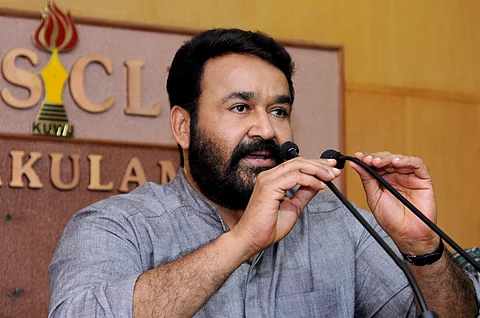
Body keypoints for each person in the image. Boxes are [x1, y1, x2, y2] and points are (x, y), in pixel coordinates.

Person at [49, 28, 479, 317]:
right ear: (184, 126)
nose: (267, 129)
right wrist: (240, 242)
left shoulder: (340, 226)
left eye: (279, 110)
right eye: (240, 108)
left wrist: (423, 248)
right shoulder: (117, 226)